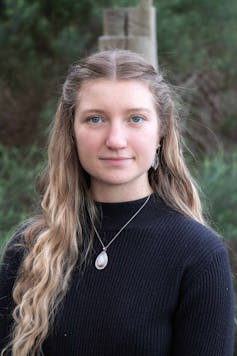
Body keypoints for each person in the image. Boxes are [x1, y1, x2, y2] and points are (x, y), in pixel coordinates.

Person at [0, 50, 234, 356]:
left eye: (135, 118)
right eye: (95, 119)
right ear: (72, 130)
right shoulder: (30, 247)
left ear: (161, 131)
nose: (115, 139)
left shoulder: (198, 256)